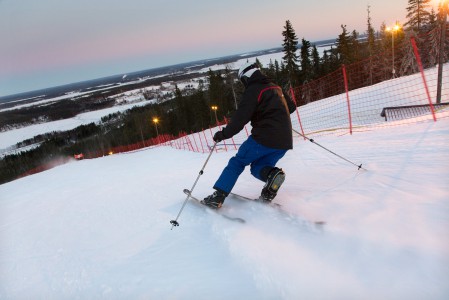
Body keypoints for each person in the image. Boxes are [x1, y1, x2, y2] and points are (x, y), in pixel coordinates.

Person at [203, 61, 297, 209]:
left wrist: (223, 134)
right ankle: (272, 178)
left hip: (263, 138)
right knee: (258, 167)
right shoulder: (275, 86)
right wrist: (273, 114)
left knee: (237, 162)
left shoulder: (254, 90)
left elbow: (240, 119)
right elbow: (291, 107)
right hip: (284, 141)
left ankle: (218, 196)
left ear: (246, 77)